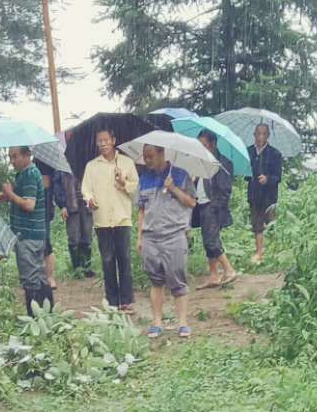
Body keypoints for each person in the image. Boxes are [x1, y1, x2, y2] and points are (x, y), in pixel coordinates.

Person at [135, 143, 198, 338]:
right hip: (151, 236)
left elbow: (192, 202)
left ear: (161, 153)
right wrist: (140, 237)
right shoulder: (144, 179)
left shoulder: (180, 175)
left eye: (150, 156)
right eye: (145, 156)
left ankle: (182, 323)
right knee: (156, 280)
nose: (147, 160)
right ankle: (156, 322)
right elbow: (141, 210)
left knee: (178, 280)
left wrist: (173, 189)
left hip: (174, 235)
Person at [80, 128, 139, 313]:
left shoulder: (127, 162)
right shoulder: (91, 166)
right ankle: (112, 302)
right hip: (102, 219)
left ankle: (126, 301)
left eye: (106, 140)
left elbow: (136, 187)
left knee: (124, 259)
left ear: (113, 140)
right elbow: (86, 189)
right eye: (99, 141)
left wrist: (124, 184)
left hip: (122, 218)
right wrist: (89, 199)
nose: (103, 144)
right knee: (107, 261)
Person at [0, 145, 55, 316]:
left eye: (15, 156)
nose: (12, 161)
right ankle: (48, 315)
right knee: (40, 276)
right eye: (10, 157)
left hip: (28, 235)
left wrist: (10, 194)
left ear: (27, 155)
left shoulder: (29, 174)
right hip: (33, 233)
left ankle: (35, 318)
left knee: (30, 280)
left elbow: (29, 204)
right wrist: (8, 195)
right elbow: (27, 198)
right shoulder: (26, 174)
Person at [196, 131, 238, 288]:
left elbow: (225, 189)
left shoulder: (223, 163)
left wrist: (215, 207)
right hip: (200, 203)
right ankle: (214, 275)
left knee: (212, 240)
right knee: (207, 240)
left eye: (204, 145)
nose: (201, 147)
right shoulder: (200, 161)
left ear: (213, 144)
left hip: (212, 206)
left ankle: (229, 270)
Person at [246, 122, 285, 264]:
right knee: (257, 224)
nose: (260, 136)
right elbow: (245, 174)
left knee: (271, 224)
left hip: (269, 196)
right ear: (254, 135)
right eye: (258, 133)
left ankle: (275, 254)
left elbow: (278, 177)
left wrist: (267, 179)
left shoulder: (275, 153)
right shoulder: (248, 151)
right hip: (254, 194)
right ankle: (259, 253)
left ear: (268, 136)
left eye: (263, 133)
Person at [49, 160, 93, 277]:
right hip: (70, 203)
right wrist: (62, 205)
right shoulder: (61, 162)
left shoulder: (86, 157)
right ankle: (77, 268)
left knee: (87, 236)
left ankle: (87, 267)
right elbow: (57, 185)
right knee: (73, 238)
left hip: (86, 202)